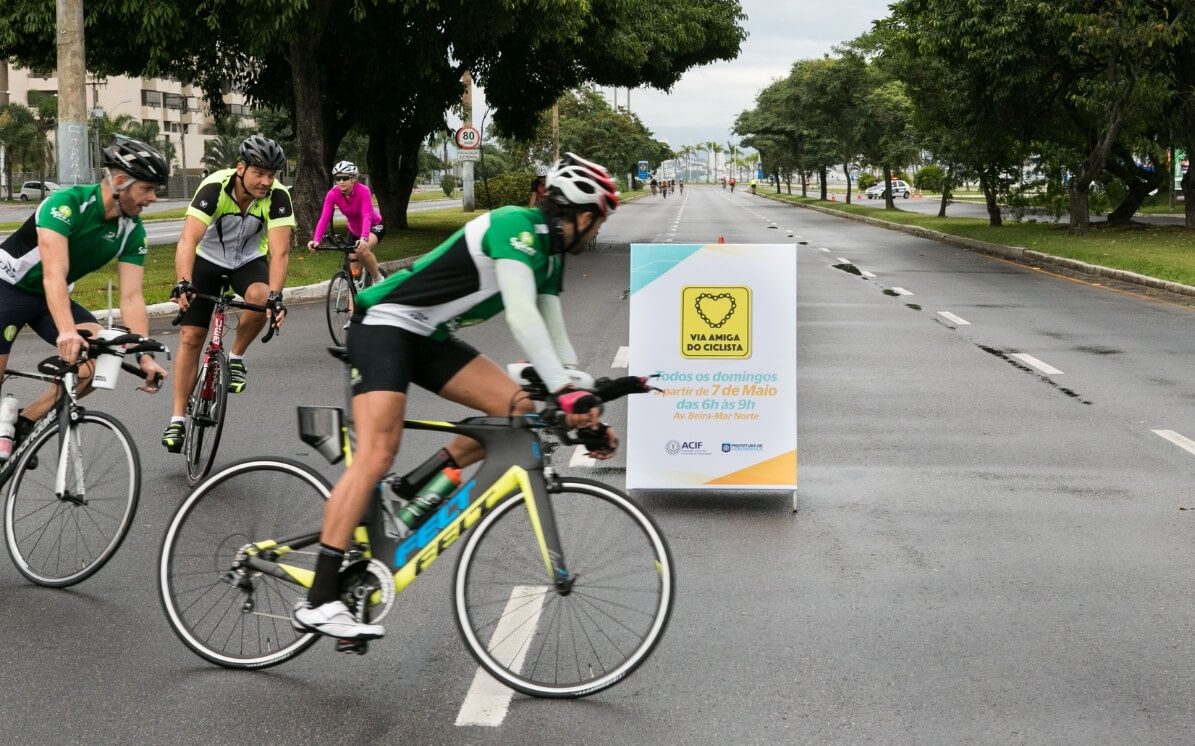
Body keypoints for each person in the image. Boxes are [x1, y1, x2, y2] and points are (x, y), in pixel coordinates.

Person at [292, 152, 620, 639]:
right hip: (385, 322)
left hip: (429, 336)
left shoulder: (549, 259)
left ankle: (420, 482)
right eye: (599, 221)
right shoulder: (514, 226)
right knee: (378, 453)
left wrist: (583, 408)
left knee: (519, 410)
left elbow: (559, 346)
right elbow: (522, 316)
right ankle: (319, 600)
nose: (596, 232)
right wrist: (566, 393)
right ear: (582, 213)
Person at [0, 136, 170, 435]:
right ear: (120, 181)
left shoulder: (132, 230)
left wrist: (144, 354)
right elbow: (53, 272)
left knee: (103, 359)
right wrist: (67, 331)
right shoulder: (66, 205)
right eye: (147, 189)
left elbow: (132, 297)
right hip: (7, 288)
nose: (153, 198)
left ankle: (25, 421)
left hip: (50, 299)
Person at [161, 135, 292, 453]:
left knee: (261, 297)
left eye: (271, 175)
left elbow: (280, 252)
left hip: (247, 262)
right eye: (259, 173)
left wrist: (276, 296)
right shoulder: (214, 188)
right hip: (208, 262)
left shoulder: (278, 197)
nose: (266, 182)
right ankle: (178, 419)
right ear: (240, 169)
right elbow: (187, 240)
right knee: (192, 338)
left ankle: (235, 358)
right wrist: (184, 281)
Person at [308, 161, 384, 287]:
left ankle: (377, 278)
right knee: (353, 270)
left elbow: (366, 216)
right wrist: (316, 240)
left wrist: (364, 237)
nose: (341, 182)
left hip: (373, 226)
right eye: (338, 178)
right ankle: (356, 295)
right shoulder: (332, 194)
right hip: (354, 231)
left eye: (345, 178)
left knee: (362, 250)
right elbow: (324, 218)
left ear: (353, 179)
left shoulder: (363, 191)